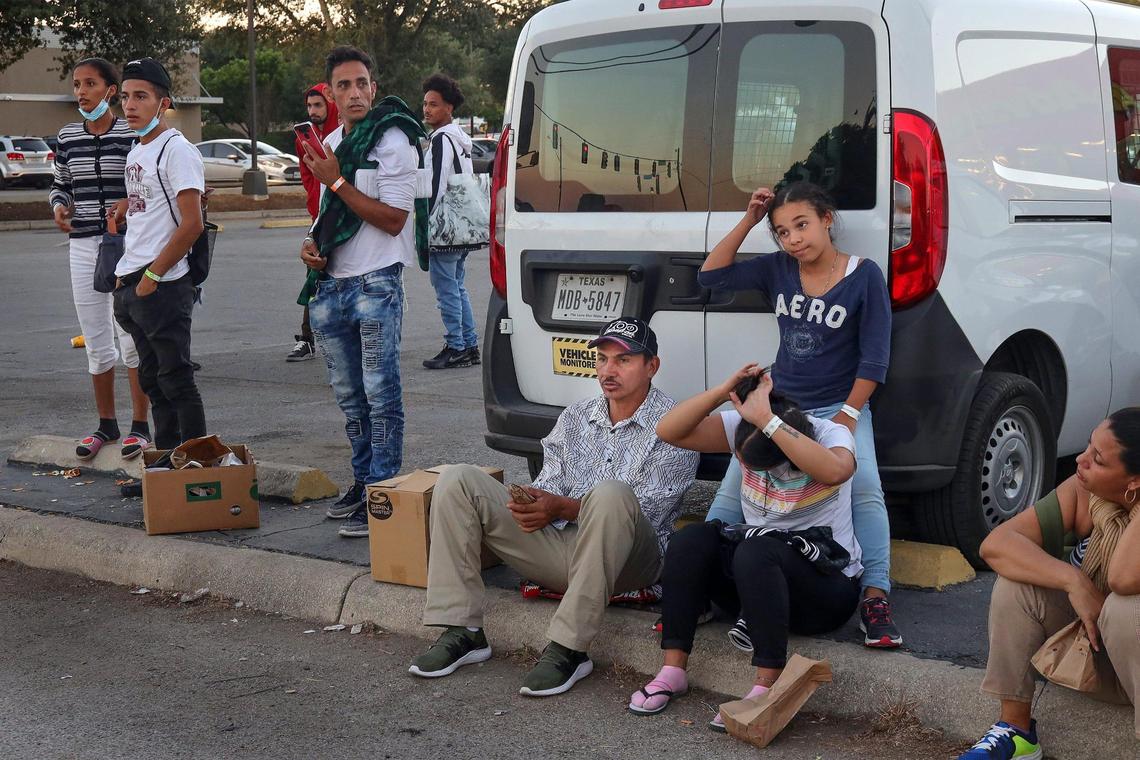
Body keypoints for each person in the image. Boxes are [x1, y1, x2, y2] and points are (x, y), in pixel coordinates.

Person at [409, 318, 698, 696]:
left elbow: (646, 513)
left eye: (624, 361)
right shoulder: (577, 416)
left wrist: (562, 508)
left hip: (630, 560)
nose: (609, 371)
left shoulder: (675, 425)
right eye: (603, 359)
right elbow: (551, 483)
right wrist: (533, 501)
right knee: (458, 479)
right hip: (562, 550)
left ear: (651, 366)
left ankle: (570, 649)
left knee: (611, 495)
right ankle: (463, 630)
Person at [698, 181, 902, 648]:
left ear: (827, 219)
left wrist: (850, 414)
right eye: (783, 231)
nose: (793, 239)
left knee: (864, 488)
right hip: (780, 407)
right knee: (732, 493)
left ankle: (875, 597)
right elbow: (710, 277)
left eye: (802, 225)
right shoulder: (778, 269)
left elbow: (875, 359)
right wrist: (750, 220)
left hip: (838, 407)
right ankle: (704, 589)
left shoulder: (863, 275)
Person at [630, 366, 861, 729]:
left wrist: (769, 422)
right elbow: (668, 430)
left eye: (770, 467)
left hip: (823, 591)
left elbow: (836, 471)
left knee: (756, 550)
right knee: (693, 538)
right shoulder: (745, 426)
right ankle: (673, 669)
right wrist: (725, 392)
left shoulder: (827, 434)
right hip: (759, 588)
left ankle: (765, 687)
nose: (762, 475)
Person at [957, 409, 1140, 759]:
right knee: (1017, 584)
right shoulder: (1085, 494)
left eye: (1098, 460)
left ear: (1134, 481)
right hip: (1095, 653)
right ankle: (1017, 734)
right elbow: (996, 546)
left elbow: (1122, 578)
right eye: (1088, 446)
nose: (1081, 461)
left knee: (1124, 607)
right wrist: (1074, 580)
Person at [297, 46, 425, 537]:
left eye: (362, 83)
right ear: (330, 93)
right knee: (350, 397)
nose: (355, 93)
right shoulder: (332, 139)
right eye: (344, 86)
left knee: (381, 391)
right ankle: (363, 480)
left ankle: (384, 493)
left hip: (377, 282)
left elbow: (394, 221)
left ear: (374, 86)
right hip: (332, 285)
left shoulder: (394, 140)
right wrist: (309, 243)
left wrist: (339, 180)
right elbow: (328, 217)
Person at [50, 58, 151, 462]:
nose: (81, 92)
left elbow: (145, 182)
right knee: (96, 340)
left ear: (110, 90)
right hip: (83, 245)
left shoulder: (132, 133)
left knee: (130, 337)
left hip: (126, 245)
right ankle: (105, 425)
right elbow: (62, 182)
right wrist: (59, 205)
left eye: (89, 84)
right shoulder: (68, 136)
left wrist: (127, 202)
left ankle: (140, 427)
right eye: (77, 85)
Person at [109, 58, 206, 451]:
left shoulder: (176, 149)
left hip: (163, 283)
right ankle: (166, 461)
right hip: (132, 281)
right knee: (152, 379)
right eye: (127, 97)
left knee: (176, 378)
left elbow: (192, 224)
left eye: (141, 97)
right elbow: (147, 211)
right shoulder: (137, 151)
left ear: (163, 103)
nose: (130, 106)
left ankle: (198, 465)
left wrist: (152, 276)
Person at [421, 73, 479, 370]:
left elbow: (436, 184)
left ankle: (456, 345)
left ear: (449, 108)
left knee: (446, 288)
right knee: (457, 285)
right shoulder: (458, 139)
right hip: (464, 225)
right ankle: (468, 345)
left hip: (445, 226)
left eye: (434, 104)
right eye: (425, 103)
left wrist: (424, 223)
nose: (427, 109)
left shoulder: (442, 139)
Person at [286, 83, 339, 363]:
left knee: (329, 275)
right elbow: (308, 178)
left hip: (341, 212)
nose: (313, 111)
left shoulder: (342, 133)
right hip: (318, 215)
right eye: (309, 106)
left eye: (318, 105)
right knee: (315, 274)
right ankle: (307, 338)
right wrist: (313, 207)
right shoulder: (304, 138)